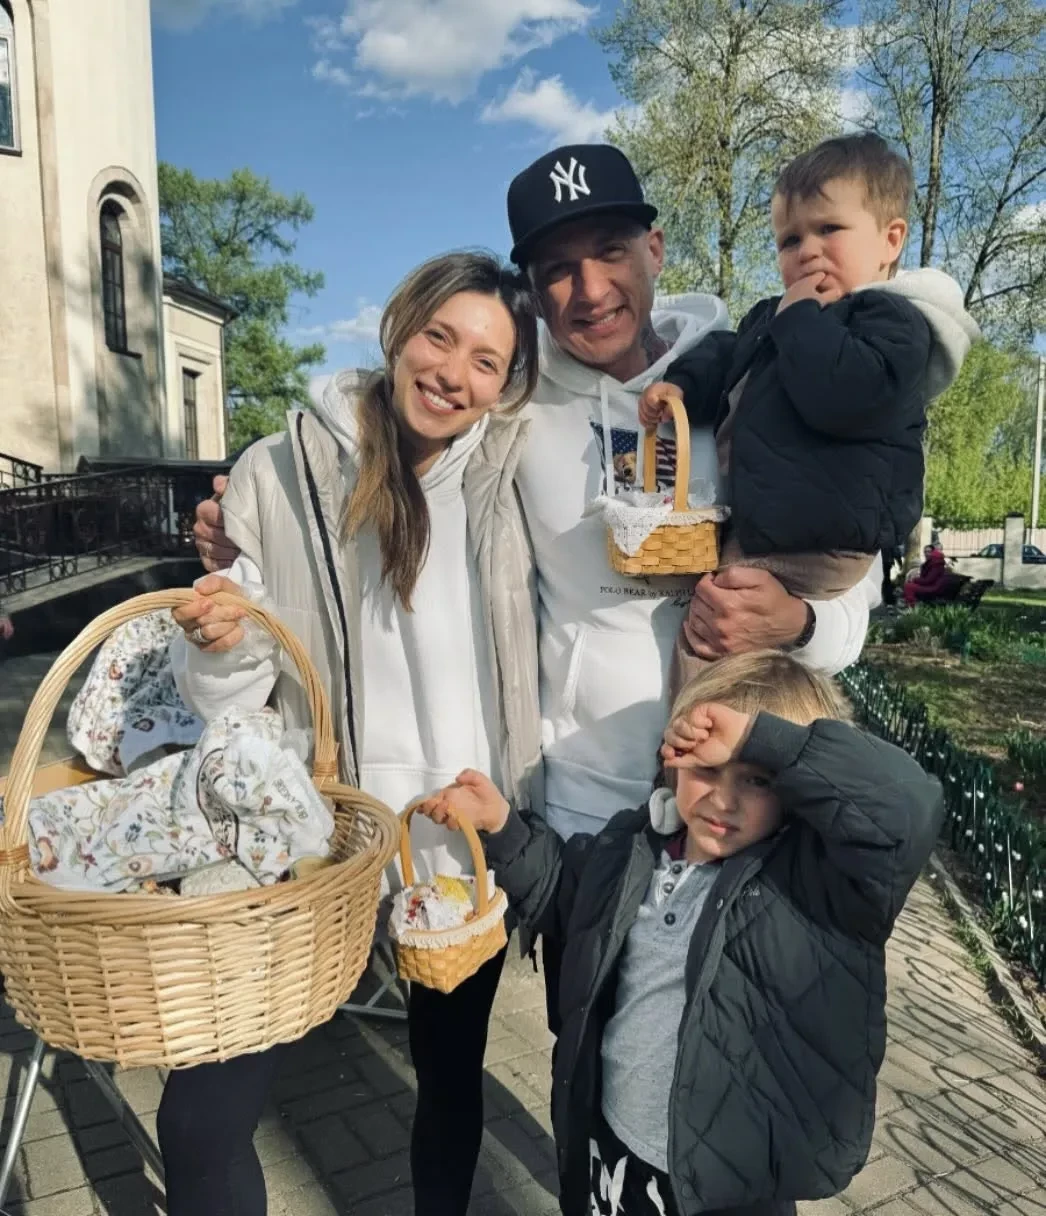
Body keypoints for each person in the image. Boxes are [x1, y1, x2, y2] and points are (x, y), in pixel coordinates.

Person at [193, 143, 881, 1021]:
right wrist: (257, 514)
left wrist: (800, 624)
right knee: (584, 1046)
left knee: (729, 1047)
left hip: (736, 792)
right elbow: (390, 437)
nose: (589, 289)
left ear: (655, 250)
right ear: (532, 289)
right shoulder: (514, 406)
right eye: (557, 269)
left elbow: (851, 582)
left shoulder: (754, 384)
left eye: (610, 252)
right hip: (581, 813)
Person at [159, 252, 542, 1216]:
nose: (453, 374)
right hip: (308, 835)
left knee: (448, 1088)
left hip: (452, 841)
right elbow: (224, 694)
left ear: (507, 384)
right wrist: (218, 642)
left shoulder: (511, 481)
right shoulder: (278, 471)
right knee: (203, 1114)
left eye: (487, 362)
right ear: (399, 328)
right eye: (439, 337)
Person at [413, 650, 944, 1216]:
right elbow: (566, 896)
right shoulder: (632, 849)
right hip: (612, 1157)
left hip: (724, 1189)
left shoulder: (819, 886)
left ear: (794, 789)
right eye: (707, 769)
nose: (723, 799)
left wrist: (769, 740)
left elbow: (905, 810)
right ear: (674, 761)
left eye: (757, 779)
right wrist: (502, 826)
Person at [638, 133, 978, 684]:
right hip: (768, 529)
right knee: (740, 654)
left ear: (890, 240)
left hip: (818, 538)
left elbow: (844, 396)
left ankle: (700, 737)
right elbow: (725, 354)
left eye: (829, 229)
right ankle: (730, 734)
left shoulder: (892, 322)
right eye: (790, 239)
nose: (807, 251)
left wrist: (797, 319)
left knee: (712, 640)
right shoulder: (779, 317)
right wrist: (679, 383)